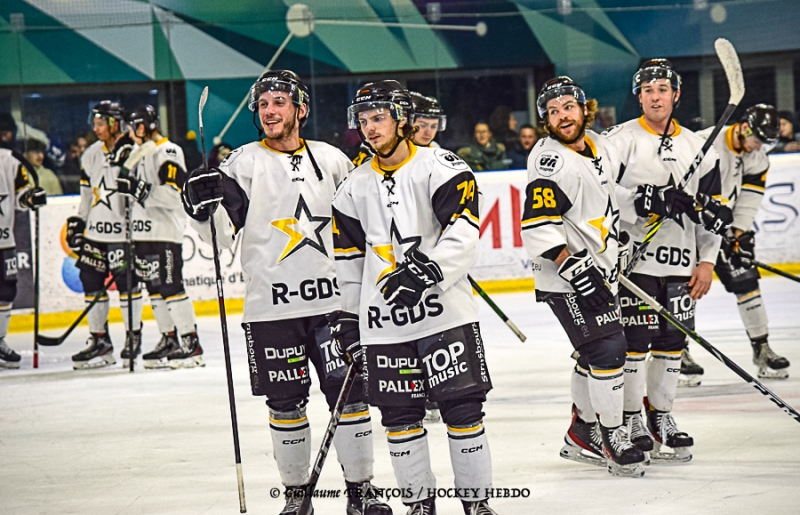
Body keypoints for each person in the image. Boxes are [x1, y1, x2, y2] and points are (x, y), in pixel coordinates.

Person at [182, 70, 391, 515]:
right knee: (285, 406)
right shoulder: (241, 163)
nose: (270, 110)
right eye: (262, 104)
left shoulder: (334, 160)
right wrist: (200, 209)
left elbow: (364, 227)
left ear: (300, 108)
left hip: (335, 308)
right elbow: (219, 237)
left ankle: (361, 492)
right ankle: (298, 498)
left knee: (350, 400)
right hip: (271, 311)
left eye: (279, 101)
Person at [332, 79, 497, 515]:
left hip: (445, 315)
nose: (369, 128)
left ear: (402, 118)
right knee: (400, 419)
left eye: (378, 118)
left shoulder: (442, 166)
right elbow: (349, 264)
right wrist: (349, 318)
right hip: (383, 326)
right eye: (363, 120)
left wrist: (429, 271)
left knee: (463, 411)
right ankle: (419, 505)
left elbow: (464, 234)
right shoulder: (351, 188)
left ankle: (476, 505)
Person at [603, 59, 730, 462]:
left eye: (662, 89)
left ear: (676, 94)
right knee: (635, 345)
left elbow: (713, 211)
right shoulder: (619, 140)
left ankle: (662, 416)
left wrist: (708, 260)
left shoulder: (699, 147)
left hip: (680, 263)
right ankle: (632, 417)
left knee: (672, 344)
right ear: (638, 97)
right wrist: (642, 201)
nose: (655, 97)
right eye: (647, 90)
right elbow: (598, 193)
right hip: (635, 262)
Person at [521, 76, 645, 477]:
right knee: (609, 349)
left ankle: (580, 430)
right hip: (565, 275)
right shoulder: (548, 160)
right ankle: (611, 436)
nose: (562, 116)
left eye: (567, 107)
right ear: (545, 120)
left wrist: (647, 200)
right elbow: (538, 224)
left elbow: (609, 193)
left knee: (591, 352)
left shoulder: (598, 145)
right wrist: (573, 266)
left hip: (599, 268)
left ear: (583, 108)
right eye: (553, 112)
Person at [684, 104, 789, 382]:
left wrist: (739, 233)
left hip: (723, 228)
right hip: (689, 227)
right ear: (744, 128)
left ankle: (762, 349)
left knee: (747, 279)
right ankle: (676, 350)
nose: (758, 148)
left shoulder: (758, 157)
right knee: (683, 287)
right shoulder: (704, 143)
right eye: (757, 140)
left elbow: (750, 198)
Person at [119, 104, 203, 369]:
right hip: (144, 233)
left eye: (131, 128)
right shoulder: (139, 152)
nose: (129, 134)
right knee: (154, 288)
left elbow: (172, 195)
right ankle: (170, 339)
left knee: (170, 286)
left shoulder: (168, 151)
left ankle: (191, 343)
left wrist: (139, 189)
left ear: (142, 126)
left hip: (165, 232)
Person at [67, 101, 141, 370]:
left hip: (124, 234)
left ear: (115, 123)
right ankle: (100, 341)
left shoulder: (134, 150)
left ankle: (134, 337)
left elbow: (140, 193)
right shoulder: (90, 154)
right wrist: (79, 221)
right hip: (96, 235)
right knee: (90, 283)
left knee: (127, 288)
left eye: (101, 123)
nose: (96, 128)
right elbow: (87, 195)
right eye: (95, 123)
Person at [0, 141, 47, 368]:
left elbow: (20, 195)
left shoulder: (9, 159)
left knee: (6, 290)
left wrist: (30, 198)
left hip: (4, 240)